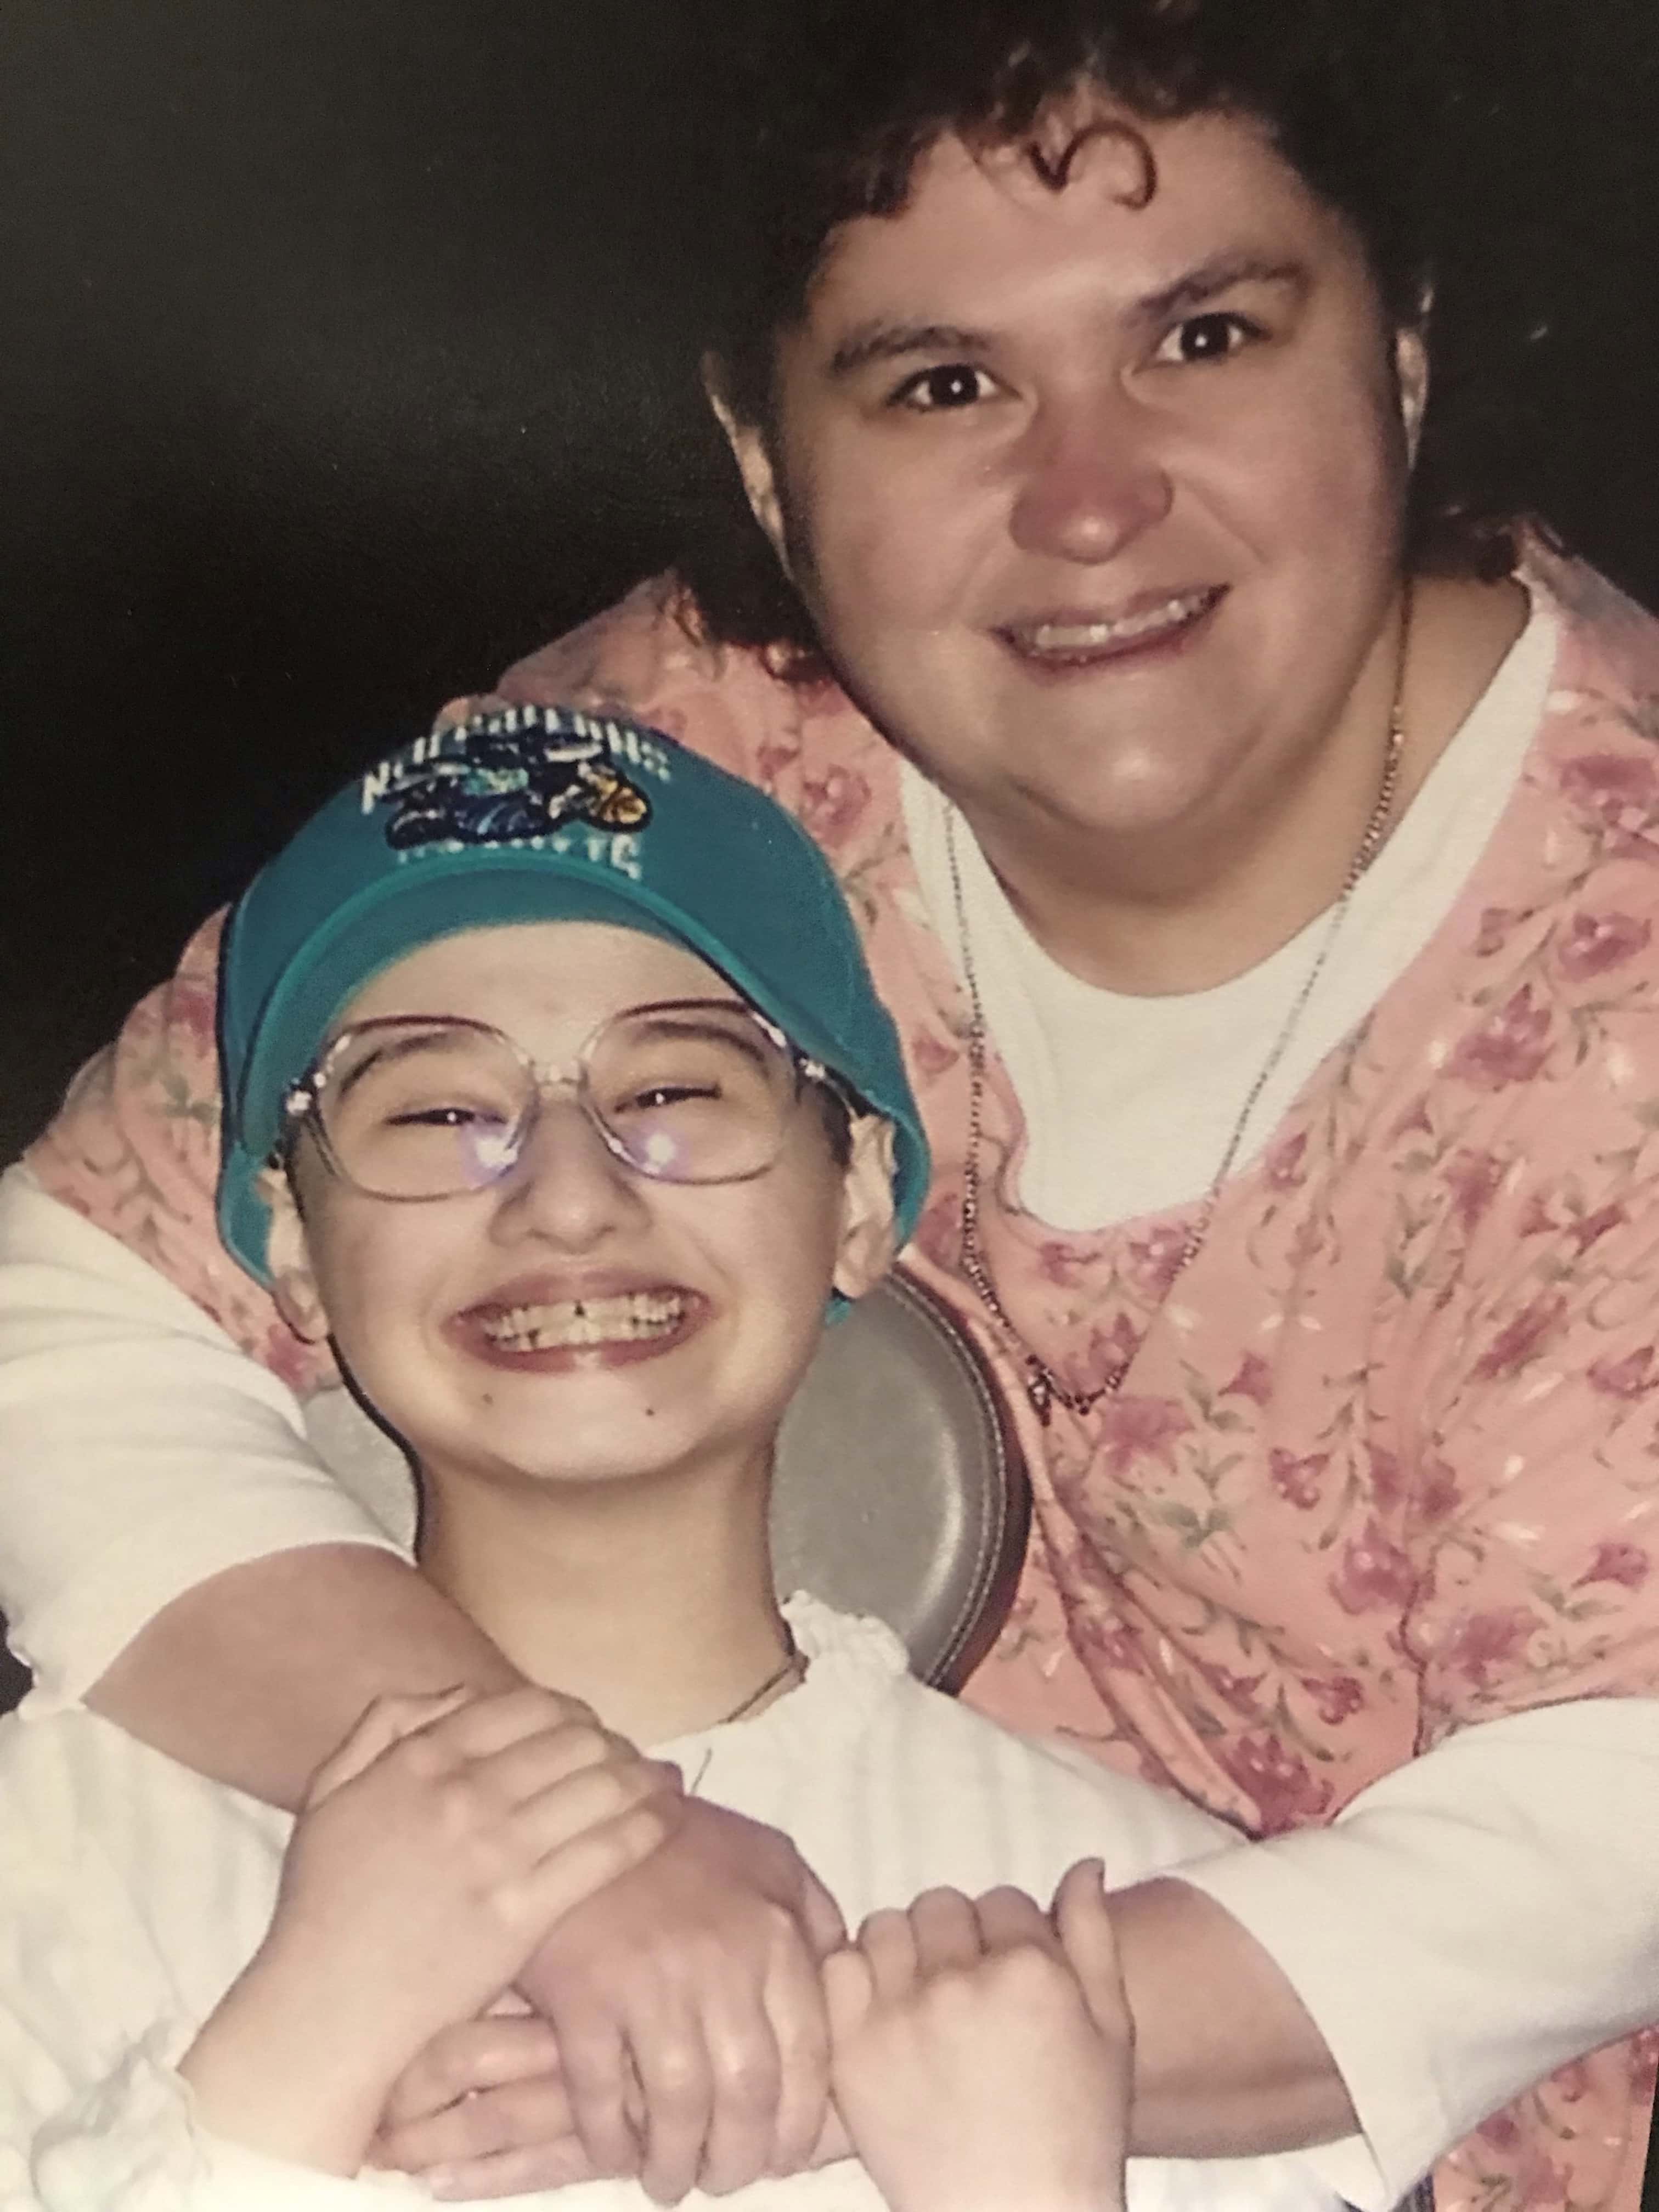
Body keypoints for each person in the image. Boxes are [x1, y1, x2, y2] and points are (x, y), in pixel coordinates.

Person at [4, 0, 1659, 2206]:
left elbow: (1606, 1826)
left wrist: (806, 2037)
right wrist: (573, 1842)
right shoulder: (687, 757)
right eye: (945, 383)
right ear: (769, 455)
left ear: (1407, 352)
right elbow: (74, 1307)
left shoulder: (1619, 967)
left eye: (1206, 338)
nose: (1090, 499)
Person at [0, 707, 1340, 2212]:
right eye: (438, 1111)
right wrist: (303, 2044)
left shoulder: (1124, 1922)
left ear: (858, 1195)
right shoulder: (60, 1853)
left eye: (672, 1093)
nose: (567, 1197)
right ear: (297, 1247)